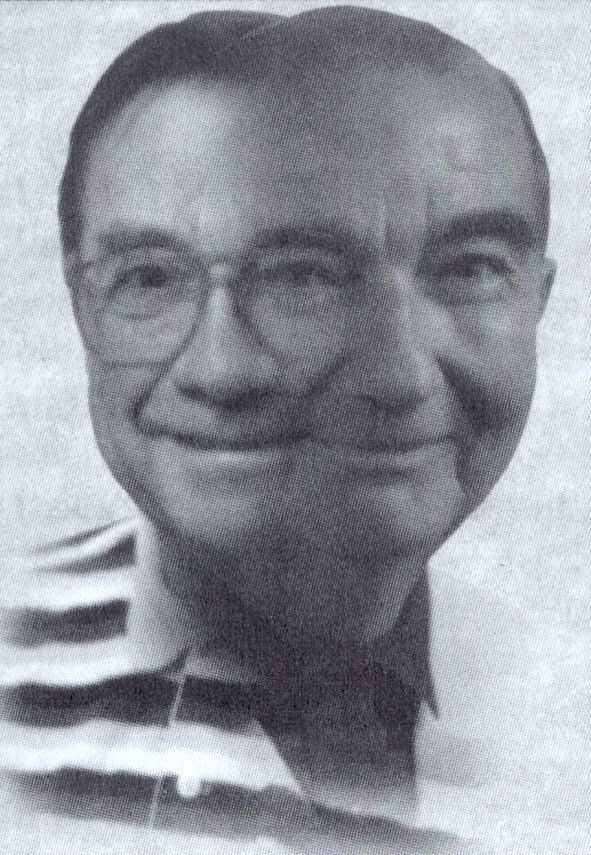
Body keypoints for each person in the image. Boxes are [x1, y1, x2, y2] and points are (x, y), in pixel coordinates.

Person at [1, 6, 555, 854]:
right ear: (82, 307)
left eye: (470, 267)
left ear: (536, 303)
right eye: (151, 277)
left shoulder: (554, 696)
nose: (401, 377)